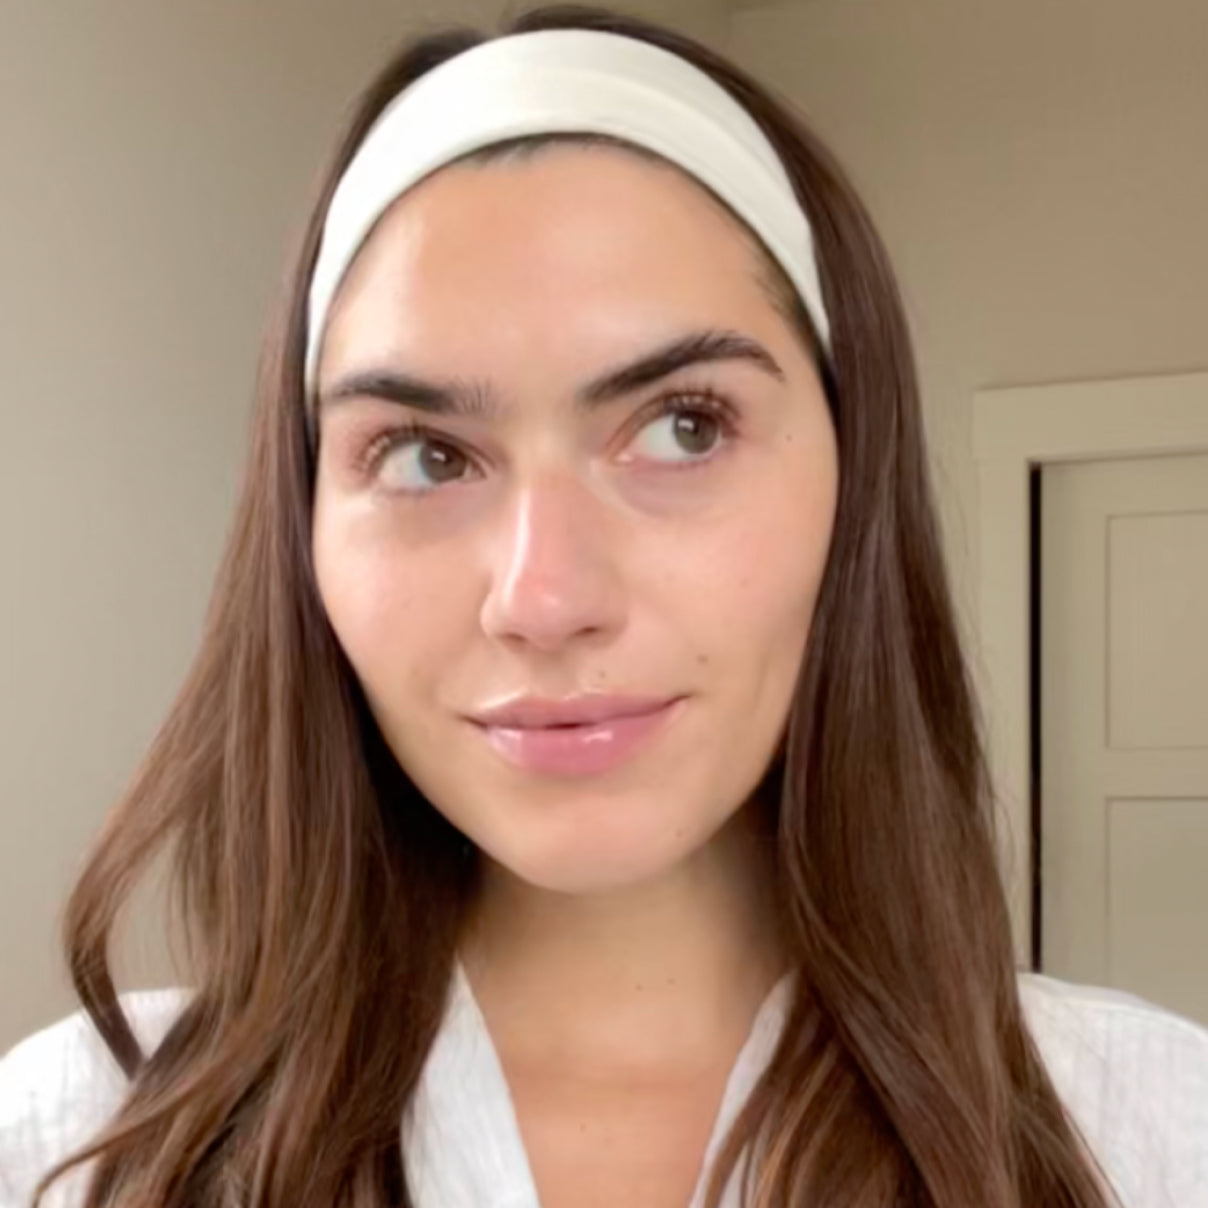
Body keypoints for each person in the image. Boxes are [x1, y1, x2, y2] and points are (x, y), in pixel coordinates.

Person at [2, 5, 1206, 1207]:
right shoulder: (74, 1142)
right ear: (304, 523)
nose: (544, 597)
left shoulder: (1152, 1126)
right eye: (424, 454)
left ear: (853, 473)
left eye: (684, 426)